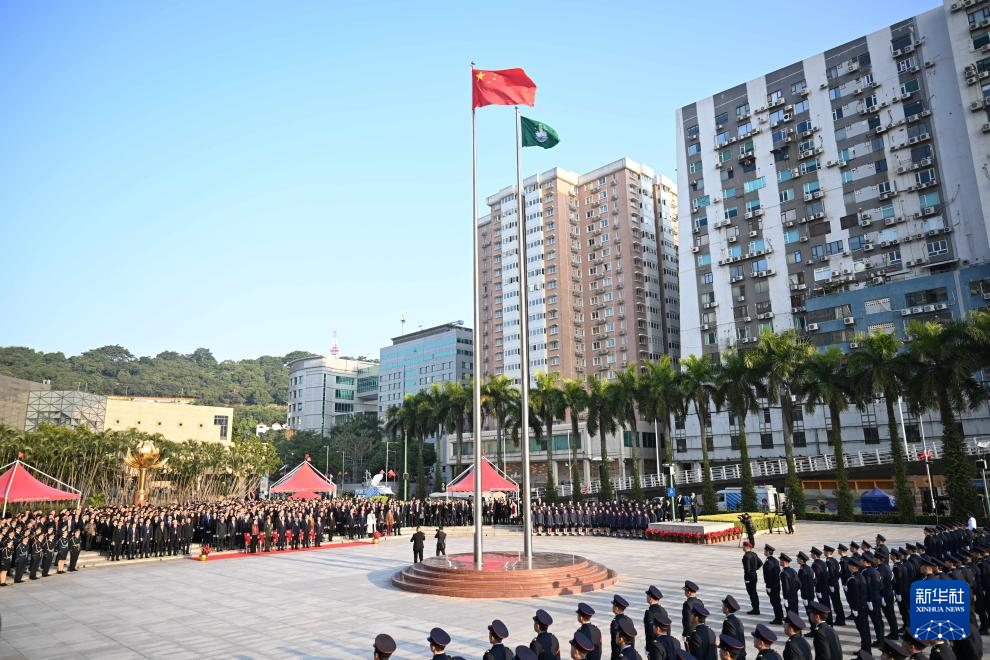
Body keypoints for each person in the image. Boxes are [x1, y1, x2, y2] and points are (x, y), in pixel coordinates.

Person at [763, 544, 783, 624]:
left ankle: (778, 619)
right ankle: (780, 616)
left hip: (772, 586)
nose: (764, 552)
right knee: (777, 602)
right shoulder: (775, 560)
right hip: (777, 585)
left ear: (768, 552)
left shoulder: (768, 562)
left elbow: (769, 576)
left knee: (775, 602)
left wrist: (768, 586)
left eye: (765, 551)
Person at [720, 596, 745, 660]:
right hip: (741, 654)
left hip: (734, 656)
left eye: (723, 606)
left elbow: (731, 641)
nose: (722, 608)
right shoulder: (737, 620)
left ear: (727, 609)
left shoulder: (728, 622)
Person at [741, 542, 762, 615]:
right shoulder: (754, 554)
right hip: (754, 575)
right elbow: (760, 563)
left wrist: (747, 579)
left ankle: (755, 609)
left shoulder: (746, 556)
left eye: (743, 546)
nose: (742, 547)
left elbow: (747, 569)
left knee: (751, 593)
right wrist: (755, 569)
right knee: (754, 592)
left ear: (747, 547)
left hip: (749, 576)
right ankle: (756, 608)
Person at [644, 586, 667, 650]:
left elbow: (650, 632)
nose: (647, 597)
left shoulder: (649, 613)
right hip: (664, 644)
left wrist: (648, 648)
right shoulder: (664, 611)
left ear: (650, 598)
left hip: (654, 646)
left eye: (647, 596)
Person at [611, 595, 633, 660]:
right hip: (629, 652)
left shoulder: (615, 622)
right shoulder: (629, 620)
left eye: (613, 606)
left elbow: (616, 642)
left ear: (616, 608)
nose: (612, 607)